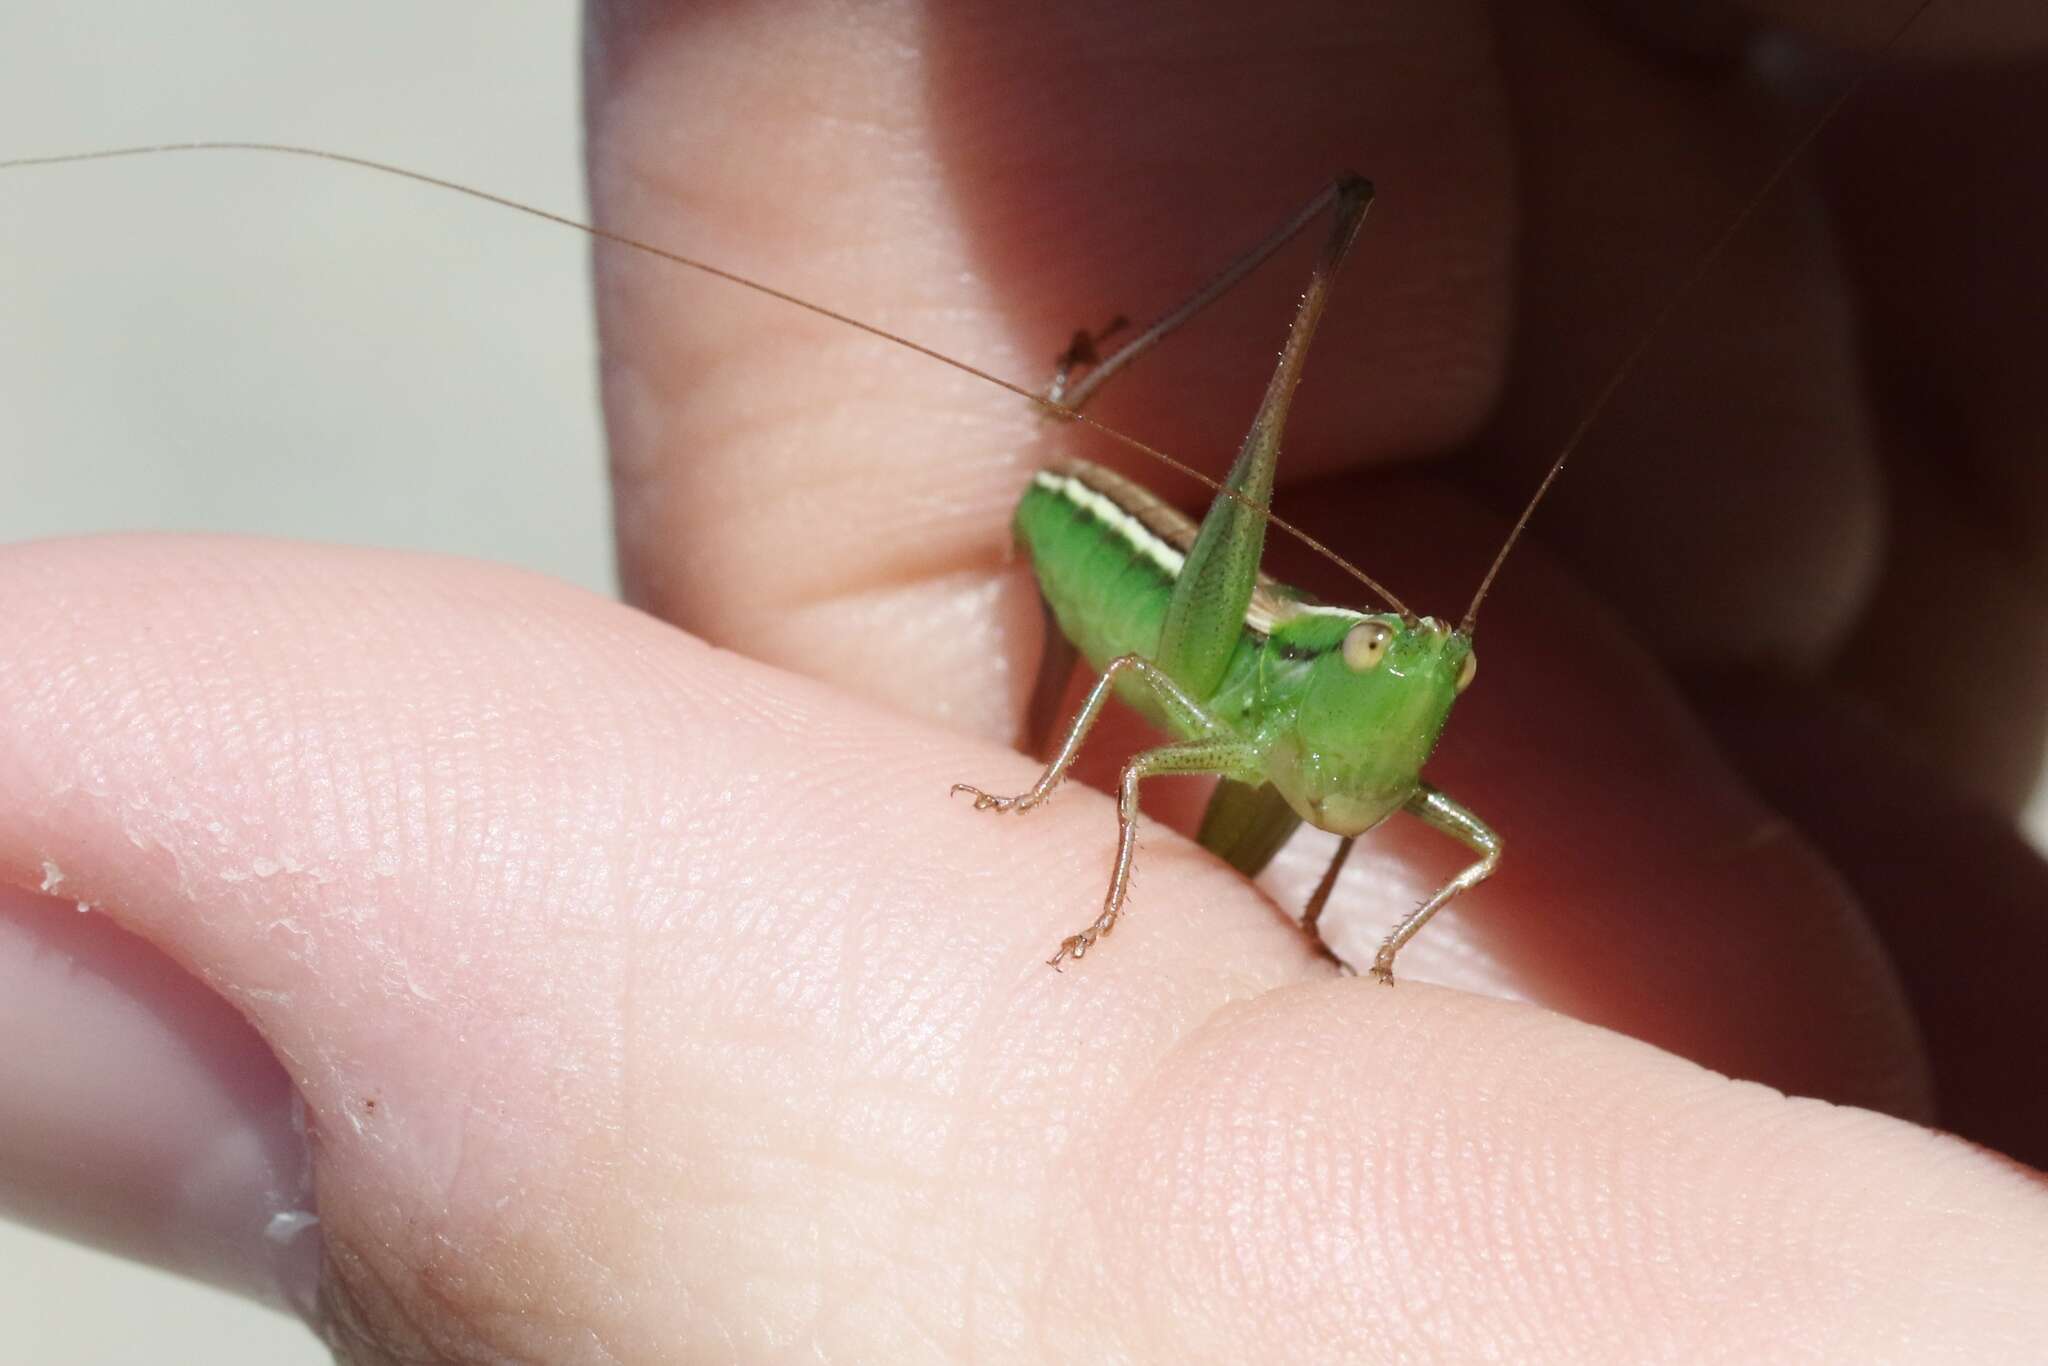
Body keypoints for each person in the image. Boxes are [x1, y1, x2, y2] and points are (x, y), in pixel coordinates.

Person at [4, 1, 2045, 1357]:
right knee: (1238, 555)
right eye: (1400, 679)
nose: (1412, 707)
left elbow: (1438, 832)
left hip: (1207, 612)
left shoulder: (1406, 743)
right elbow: (1164, 763)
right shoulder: (1211, 692)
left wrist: (1349, 886)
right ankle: (1106, 401)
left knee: (1454, 777)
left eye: (1426, 679)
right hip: (1143, 579)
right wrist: (1067, 856)